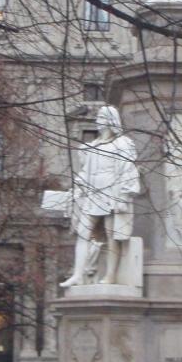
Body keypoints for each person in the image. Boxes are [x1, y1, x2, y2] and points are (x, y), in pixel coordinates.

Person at [61, 104, 140, 287]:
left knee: (112, 235)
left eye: (102, 118)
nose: (98, 121)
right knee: (83, 233)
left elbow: (128, 170)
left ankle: (111, 275)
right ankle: (78, 274)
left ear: (111, 121)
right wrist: (78, 187)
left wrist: (123, 197)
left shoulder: (122, 144)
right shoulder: (93, 146)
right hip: (93, 193)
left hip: (111, 192)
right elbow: (86, 171)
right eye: (98, 117)